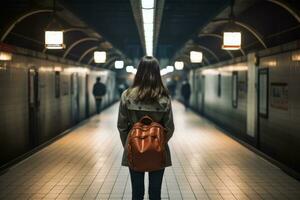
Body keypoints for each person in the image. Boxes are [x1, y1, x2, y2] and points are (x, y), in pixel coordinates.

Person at [117, 56, 174, 200]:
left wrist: (130, 145)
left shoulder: (127, 95)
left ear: (139, 72)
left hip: (134, 150)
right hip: (158, 150)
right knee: (155, 193)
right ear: (157, 72)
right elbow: (169, 127)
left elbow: (122, 126)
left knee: (137, 193)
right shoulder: (164, 96)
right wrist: (157, 144)